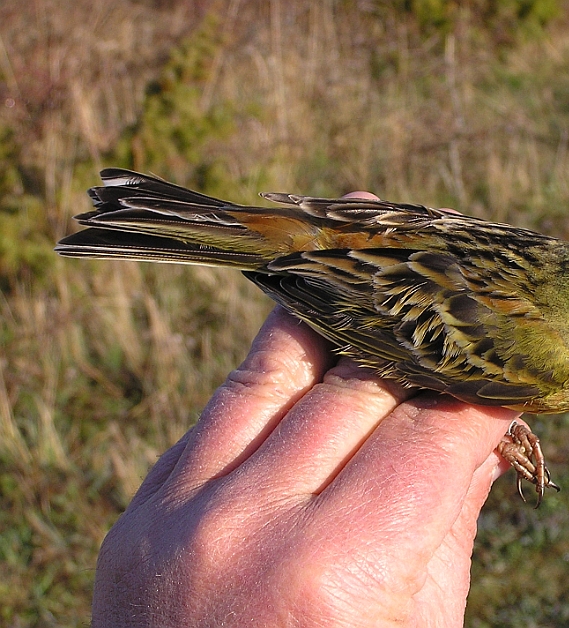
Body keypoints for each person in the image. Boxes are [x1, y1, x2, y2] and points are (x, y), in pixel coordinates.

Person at [90, 192, 523, 627]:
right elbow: (394, 335)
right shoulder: (555, 357)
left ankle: (142, 208)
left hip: (370, 244)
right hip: (361, 284)